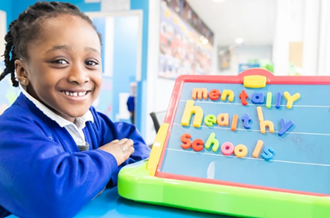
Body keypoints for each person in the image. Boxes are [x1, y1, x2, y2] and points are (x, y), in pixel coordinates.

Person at [0, 2, 150, 218]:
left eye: (91, 62)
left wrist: (93, 178)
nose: (79, 76)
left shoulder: (91, 120)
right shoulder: (11, 130)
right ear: (23, 71)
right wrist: (109, 156)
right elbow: (56, 198)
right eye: (60, 61)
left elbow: (139, 149)